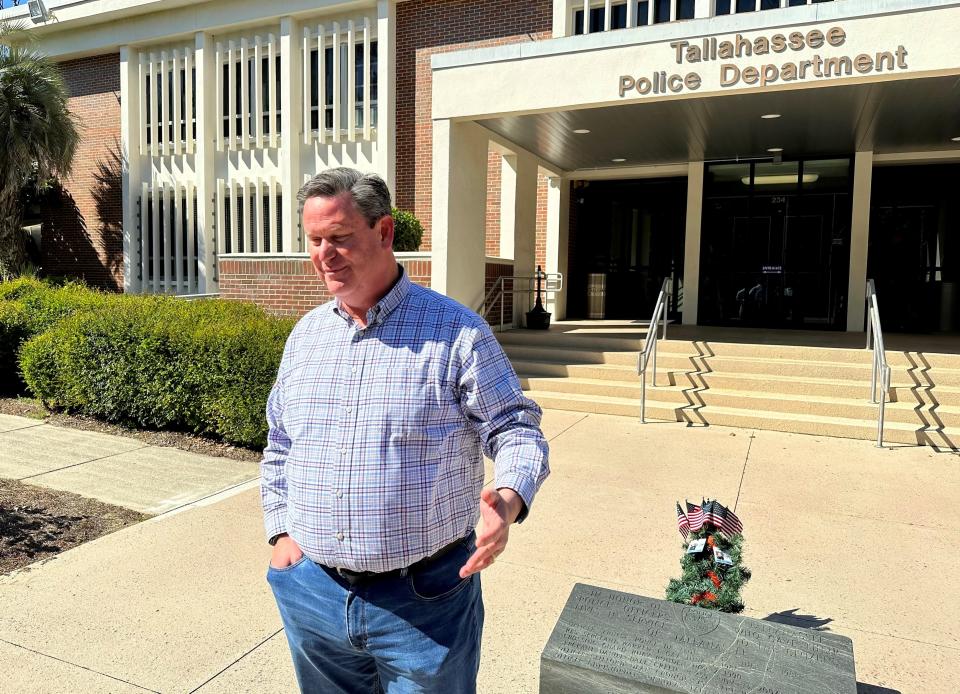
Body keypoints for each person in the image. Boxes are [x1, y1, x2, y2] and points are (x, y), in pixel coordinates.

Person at [260, 167, 550, 693]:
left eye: (341, 238)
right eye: (315, 240)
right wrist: (282, 534)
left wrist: (506, 499)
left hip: (426, 602)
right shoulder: (305, 336)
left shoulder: (456, 333)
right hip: (313, 593)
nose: (325, 254)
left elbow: (517, 428)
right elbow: (280, 444)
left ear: (385, 232)